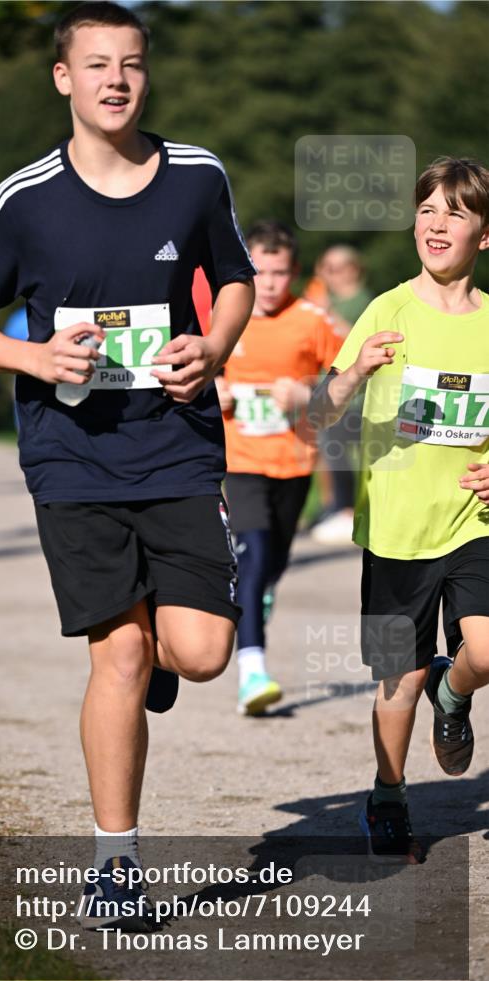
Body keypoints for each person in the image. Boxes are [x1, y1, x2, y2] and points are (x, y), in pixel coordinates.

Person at [0, 2, 255, 926]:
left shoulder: (196, 177)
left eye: (132, 63)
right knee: (116, 653)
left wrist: (214, 347)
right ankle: (116, 866)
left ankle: (162, 649)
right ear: (63, 78)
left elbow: (234, 278)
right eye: (98, 64)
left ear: (146, 74)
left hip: (177, 444)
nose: (117, 80)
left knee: (202, 652)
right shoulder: (25, 197)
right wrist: (34, 357)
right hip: (72, 457)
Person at [309, 156, 489, 863]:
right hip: (394, 530)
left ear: (484, 234)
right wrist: (354, 371)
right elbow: (319, 414)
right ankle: (387, 795)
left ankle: (454, 691)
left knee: (484, 653)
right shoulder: (386, 309)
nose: (436, 224)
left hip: (473, 520)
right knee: (397, 679)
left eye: (455, 212)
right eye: (426, 210)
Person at [216, 222, 343, 714]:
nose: (268, 283)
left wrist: (308, 393)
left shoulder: (312, 320)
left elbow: (353, 382)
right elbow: (189, 369)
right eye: (260, 272)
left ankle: (261, 593)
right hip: (241, 460)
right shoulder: (224, 313)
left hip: (294, 463)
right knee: (251, 556)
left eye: (279, 273)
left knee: (273, 564)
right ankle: (252, 671)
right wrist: (212, 391)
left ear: (295, 273)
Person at [308, 246, 373, 545]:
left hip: (358, 397)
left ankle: (348, 510)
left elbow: (359, 341)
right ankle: (335, 507)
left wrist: (327, 311)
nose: (329, 274)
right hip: (328, 392)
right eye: (325, 268)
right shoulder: (325, 299)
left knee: (348, 454)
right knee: (328, 450)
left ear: (353, 269)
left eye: (336, 268)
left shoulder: (364, 302)